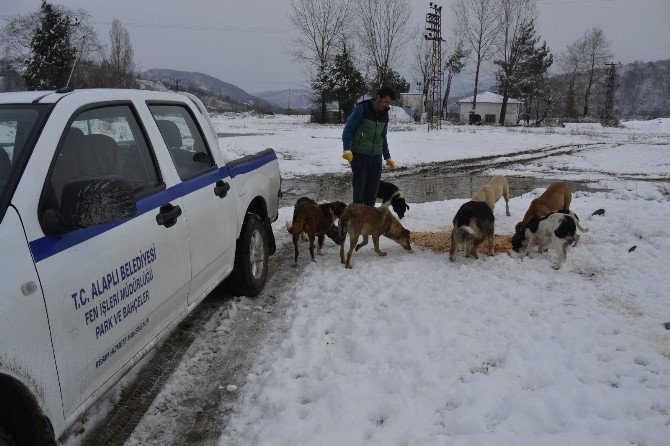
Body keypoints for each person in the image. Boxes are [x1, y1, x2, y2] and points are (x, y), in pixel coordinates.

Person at [341, 87, 397, 206]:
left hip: (376, 157)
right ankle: (357, 219)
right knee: (359, 191)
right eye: (386, 102)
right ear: (378, 98)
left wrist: (387, 157)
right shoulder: (363, 108)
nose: (388, 106)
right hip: (360, 155)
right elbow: (348, 129)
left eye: (390, 103)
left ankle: (369, 221)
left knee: (372, 192)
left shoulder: (385, 115)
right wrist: (347, 149)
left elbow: (383, 137)